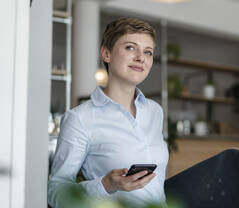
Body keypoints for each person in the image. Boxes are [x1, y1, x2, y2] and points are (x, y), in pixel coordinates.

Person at [48, 18, 169, 207]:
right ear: (106, 53)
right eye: (130, 48)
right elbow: (56, 193)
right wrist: (106, 184)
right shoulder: (80, 118)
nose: (141, 57)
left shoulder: (155, 111)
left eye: (148, 52)